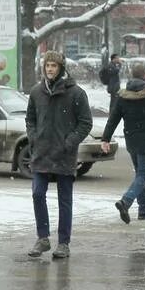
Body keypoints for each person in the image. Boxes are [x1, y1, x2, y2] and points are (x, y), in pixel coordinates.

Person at [26, 50, 92, 259]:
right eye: (47, 66)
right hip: (42, 152)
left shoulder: (76, 93)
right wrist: (34, 137)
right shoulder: (37, 92)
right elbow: (30, 119)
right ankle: (43, 238)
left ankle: (63, 243)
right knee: (37, 194)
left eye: (53, 66)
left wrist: (70, 141)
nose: (50, 70)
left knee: (65, 199)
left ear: (61, 68)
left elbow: (85, 123)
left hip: (64, 154)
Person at [101, 63, 145, 224]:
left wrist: (105, 138)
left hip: (131, 141)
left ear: (131, 76)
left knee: (140, 175)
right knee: (144, 176)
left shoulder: (124, 96)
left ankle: (143, 211)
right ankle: (126, 201)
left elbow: (113, 118)